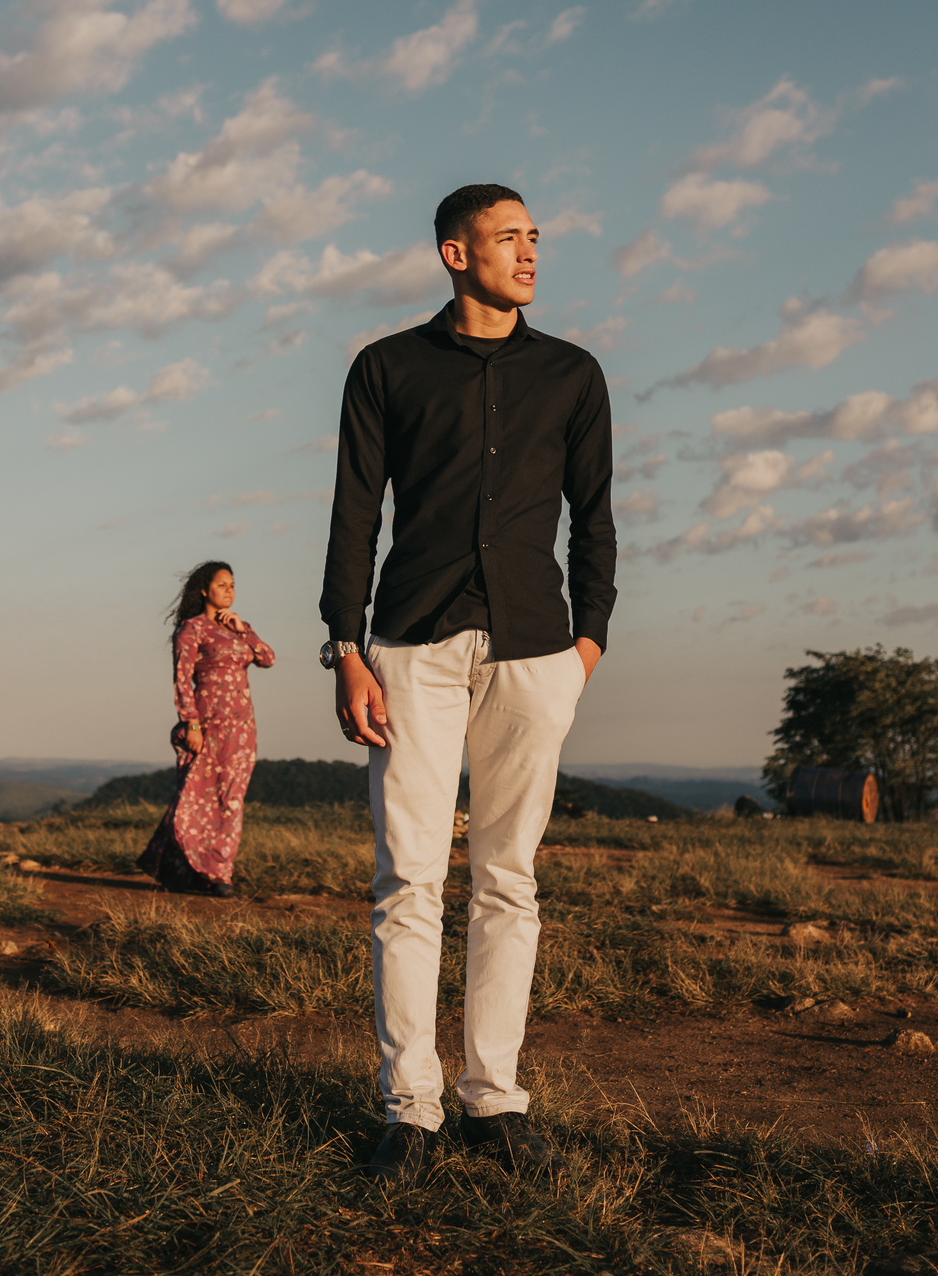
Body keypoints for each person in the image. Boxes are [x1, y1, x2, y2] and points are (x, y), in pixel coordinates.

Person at [319, 183, 617, 1185]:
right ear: (456, 253)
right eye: (507, 237)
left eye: (535, 236)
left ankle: (494, 1099)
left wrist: (587, 645)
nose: (529, 252)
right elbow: (355, 513)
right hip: (411, 649)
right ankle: (411, 1109)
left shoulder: (573, 374)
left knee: (509, 881)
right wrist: (346, 646)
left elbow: (596, 518)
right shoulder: (387, 368)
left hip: (537, 652)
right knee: (410, 880)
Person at [139, 560, 276, 899]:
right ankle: (183, 865)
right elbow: (181, 678)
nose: (229, 591)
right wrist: (191, 723)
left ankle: (220, 873)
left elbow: (267, 658)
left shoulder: (238, 629)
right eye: (222, 585)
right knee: (195, 797)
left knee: (232, 799)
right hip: (206, 724)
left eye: (233, 585)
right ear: (204, 590)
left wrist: (244, 629)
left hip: (242, 727)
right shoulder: (191, 629)